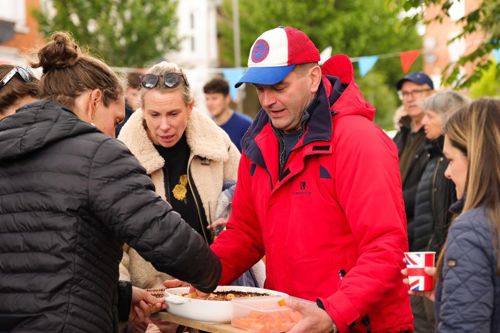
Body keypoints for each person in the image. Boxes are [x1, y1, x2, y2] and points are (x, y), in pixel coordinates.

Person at [0, 32, 221, 333]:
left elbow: (41, 266)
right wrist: (211, 273)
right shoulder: (97, 153)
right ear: (93, 102)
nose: (116, 133)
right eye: (116, 121)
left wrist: (122, 297)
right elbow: (162, 233)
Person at [207, 26, 413, 333]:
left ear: (314, 78)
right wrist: (198, 277)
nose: (267, 101)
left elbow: (385, 247)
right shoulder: (258, 145)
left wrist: (333, 313)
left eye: (278, 87)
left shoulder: (359, 141)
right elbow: (245, 234)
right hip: (290, 320)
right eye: (259, 89)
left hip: (356, 323)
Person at [118, 61, 240, 332]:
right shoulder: (120, 158)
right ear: (141, 111)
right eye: (154, 115)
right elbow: (110, 246)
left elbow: (248, 202)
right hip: (152, 304)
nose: (164, 126)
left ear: (190, 107)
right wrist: (129, 303)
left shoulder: (219, 146)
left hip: (214, 295)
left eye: (173, 114)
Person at [403, 98, 500, 332]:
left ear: (476, 160)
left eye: (451, 160)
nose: (447, 172)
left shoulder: (471, 228)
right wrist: (454, 287)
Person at [409, 91, 469, 332]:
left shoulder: (453, 165)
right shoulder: (434, 159)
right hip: (424, 259)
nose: (423, 122)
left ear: (447, 118)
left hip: (437, 263)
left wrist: (442, 259)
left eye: (429, 116)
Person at [393, 72, 434, 333]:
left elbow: (426, 189)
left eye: (416, 92)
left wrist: (390, 201)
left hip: (423, 236)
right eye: (405, 93)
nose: (410, 98)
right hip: (399, 234)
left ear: (431, 93)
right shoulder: (402, 133)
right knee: (406, 307)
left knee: (425, 312)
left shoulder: (436, 134)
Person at [203, 77, 252, 151]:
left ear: (227, 99)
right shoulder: (206, 127)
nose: (210, 103)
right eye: (207, 98)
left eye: (214, 98)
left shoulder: (246, 126)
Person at [116, 71, 142, 136]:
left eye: (142, 95)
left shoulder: (148, 113)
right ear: (125, 93)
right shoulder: (118, 114)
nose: (139, 99)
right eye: (134, 94)